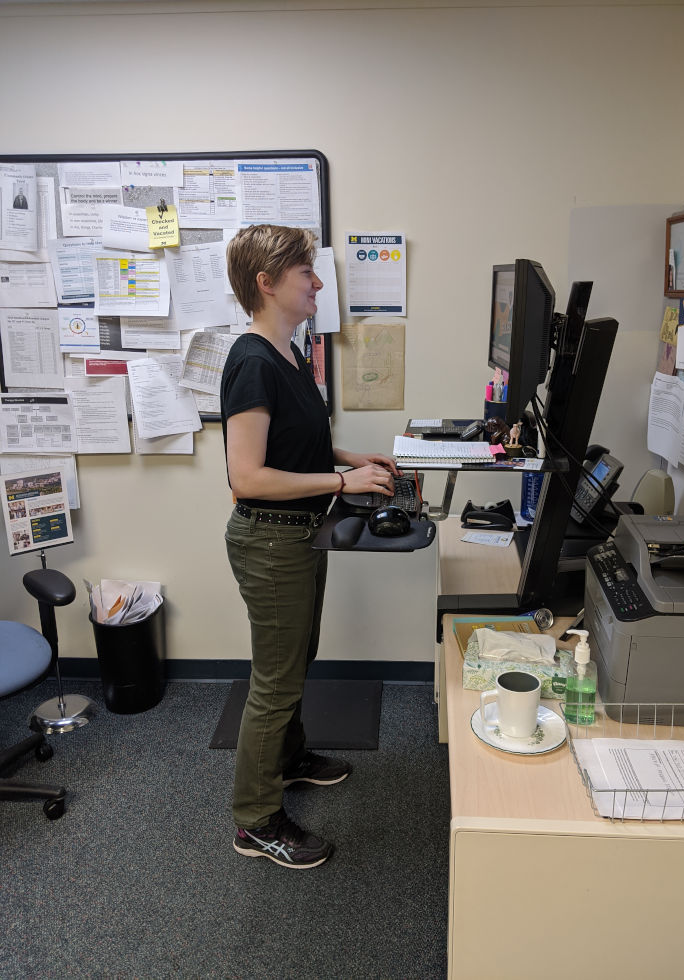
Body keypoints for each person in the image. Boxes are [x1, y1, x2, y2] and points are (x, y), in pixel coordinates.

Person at [221, 224, 400, 869]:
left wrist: (350, 457)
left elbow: (296, 443)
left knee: (295, 660)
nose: (318, 283)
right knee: (274, 679)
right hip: (270, 540)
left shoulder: (290, 354)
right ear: (268, 283)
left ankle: (290, 759)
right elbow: (248, 478)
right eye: (306, 274)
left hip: (300, 534)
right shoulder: (251, 361)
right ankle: (255, 820)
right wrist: (344, 481)